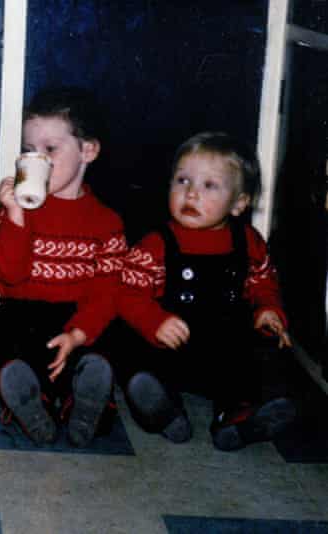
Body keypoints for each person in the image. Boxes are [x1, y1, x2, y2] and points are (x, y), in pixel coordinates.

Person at [119, 131, 296, 451]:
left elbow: (263, 280)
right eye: (182, 180)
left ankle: (237, 415)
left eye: (209, 185)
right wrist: (152, 320)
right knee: (135, 354)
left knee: (263, 351)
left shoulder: (249, 241)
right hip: (171, 344)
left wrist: (268, 309)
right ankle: (164, 410)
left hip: (223, 347)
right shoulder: (156, 243)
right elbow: (127, 292)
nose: (191, 193)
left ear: (239, 203)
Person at [0, 87, 126, 448]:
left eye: (50, 149)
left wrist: (78, 334)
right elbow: (7, 273)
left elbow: (107, 293)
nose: (38, 160)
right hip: (23, 311)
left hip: (77, 317)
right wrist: (15, 217)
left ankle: (85, 404)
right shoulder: (18, 209)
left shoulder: (106, 222)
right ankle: (33, 404)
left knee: (101, 348)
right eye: (29, 150)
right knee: (3, 342)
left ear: (88, 151)